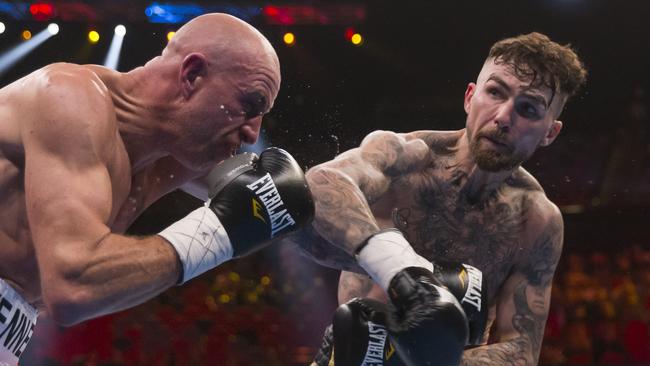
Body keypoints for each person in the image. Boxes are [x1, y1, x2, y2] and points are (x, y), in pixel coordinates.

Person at [0, 13, 314, 365]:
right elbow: (73, 284)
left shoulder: (170, 155)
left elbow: (295, 199)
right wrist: (217, 234)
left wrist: (379, 250)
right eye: (249, 105)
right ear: (192, 75)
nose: (253, 134)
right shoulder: (68, 99)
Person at [293, 32, 587, 365]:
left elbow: (522, 351)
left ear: (550, 132)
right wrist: (398, 267)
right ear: (469, 97)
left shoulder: (535, 220)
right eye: (495, 92)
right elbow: (316, 185)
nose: (504, 117)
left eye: (528, 108)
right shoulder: (403, 159)